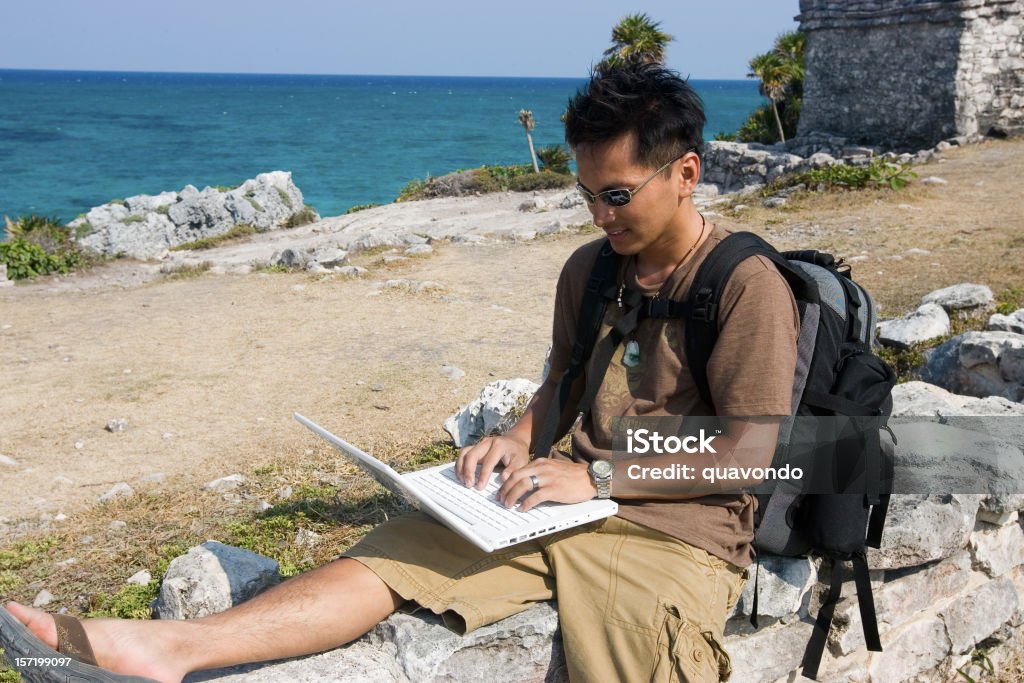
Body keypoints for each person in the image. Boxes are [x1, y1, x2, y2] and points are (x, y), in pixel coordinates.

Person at [1, 63, 798, 683]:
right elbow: (563, 377)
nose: (599, 215)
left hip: (672, 531)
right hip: (544, 506)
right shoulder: (590, 270)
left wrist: (598, 483)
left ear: (687, 173)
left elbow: (756, 449)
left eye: (618, 194)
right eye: (587, 193)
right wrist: (519, 438)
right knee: (388, 555)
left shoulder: (742, 282)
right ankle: (160, 648)